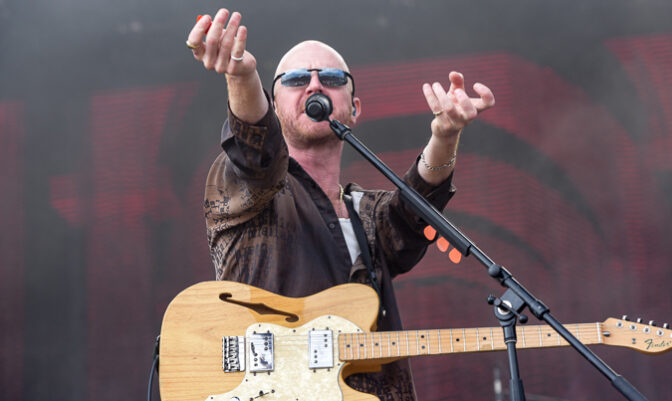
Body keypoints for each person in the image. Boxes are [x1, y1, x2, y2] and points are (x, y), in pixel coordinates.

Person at [186, 8, 495, 401]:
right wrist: (242, 77)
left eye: (331, 79)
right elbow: (255, 151)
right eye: (296, 80)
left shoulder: (367, 212)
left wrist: (445, 135)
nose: (315, 85)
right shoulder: (240, 182)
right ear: (274, 107)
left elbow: (413, 214)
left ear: (355, 108)